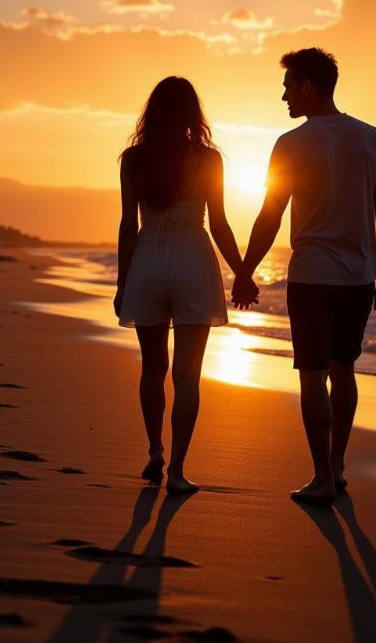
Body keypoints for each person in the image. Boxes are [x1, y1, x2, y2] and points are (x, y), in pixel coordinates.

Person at [233, 48, 376, 506]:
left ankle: (322, 475)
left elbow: (270, 215)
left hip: (312, 277)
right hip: (359, 277)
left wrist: (246, 270)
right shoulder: (371, 137)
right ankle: (338, 467)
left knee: (312, 375)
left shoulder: (293, 143)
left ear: (308, 86)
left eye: (288, 87)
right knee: (344, 370)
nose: (283, 96)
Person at [115, 76, 256, 496]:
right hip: (193, 258)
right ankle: (177, 471)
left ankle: (155, 451)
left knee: (152, 368)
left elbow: (127, 226)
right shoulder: (209, 160)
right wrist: (242, 273)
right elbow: (220, 224)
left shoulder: (133, 159)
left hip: (148, 259)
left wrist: (124, 283)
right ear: (193, 114)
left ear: (152, 112)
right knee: (188, 376)